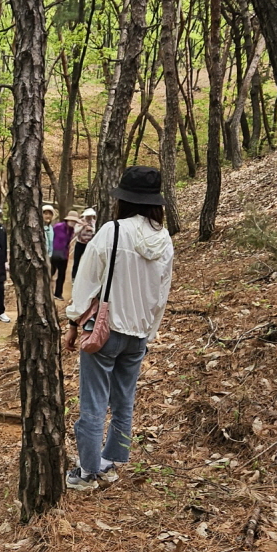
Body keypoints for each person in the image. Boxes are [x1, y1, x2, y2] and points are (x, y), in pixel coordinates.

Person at [64, 167, 174, 492]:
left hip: (105, 330)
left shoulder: (111, 231)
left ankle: (87, 472)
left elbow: (85, 281)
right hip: (138, 333)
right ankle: (110, 463)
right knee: (124, 401)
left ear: (124, 199)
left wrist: (73, 322)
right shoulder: (164, 240)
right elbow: (161, 294)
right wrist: (150, 332)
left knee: (94, 402)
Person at [51, 210, 79, 300]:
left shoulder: (71, 230)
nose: (73, 223)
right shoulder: (58, 227)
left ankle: (58, 293)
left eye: (75, 221)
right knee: (50, 273)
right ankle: (47, 293)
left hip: (64, 254)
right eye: (72, 220)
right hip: (54, 253)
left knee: (62, 275)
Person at [71, 208, 97, 280]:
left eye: (91, 216)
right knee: (76, 261)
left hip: (89, 245)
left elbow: (96, 232)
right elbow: (75, 232)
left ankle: (84, 278)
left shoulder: (94, 223)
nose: (90, 217)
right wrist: (82, 226)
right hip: (79, 243)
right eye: (89, 215)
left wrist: (91, 229)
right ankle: (74, 277)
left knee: (87, 262)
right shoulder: (80, 222)